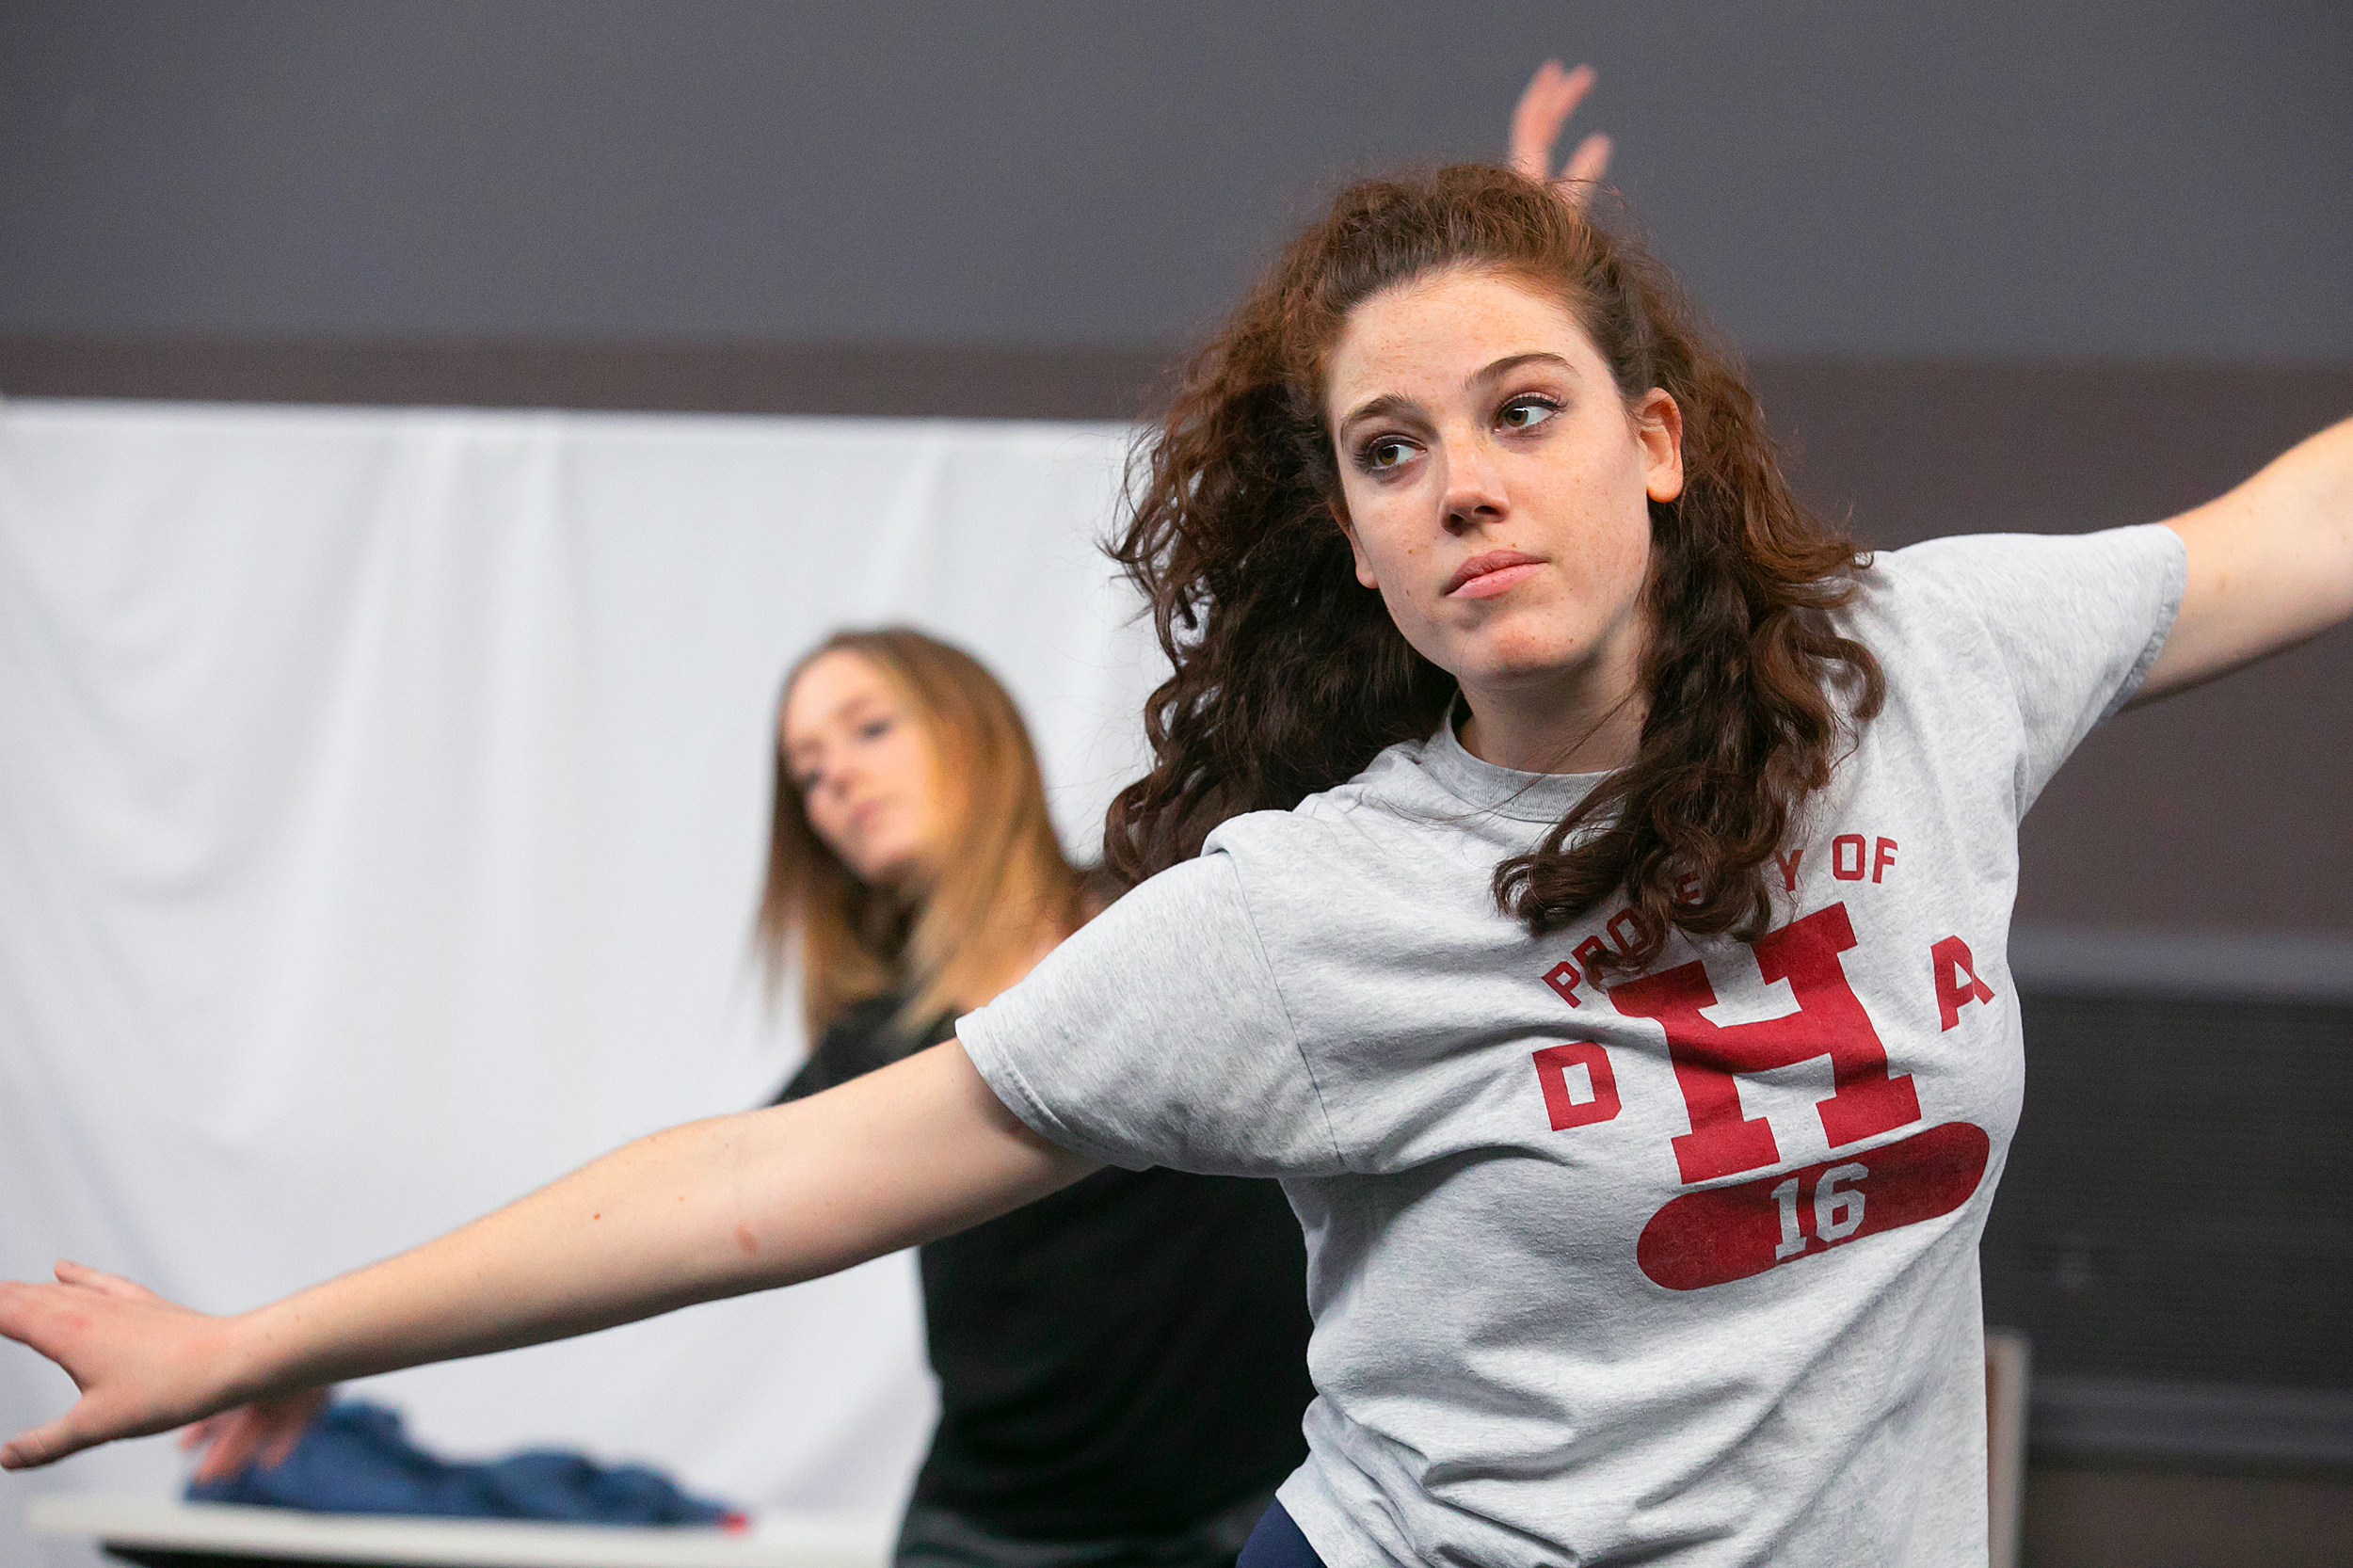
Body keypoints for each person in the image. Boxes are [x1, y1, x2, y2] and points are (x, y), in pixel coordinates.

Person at [7, 114, 2348, 1568]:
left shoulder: (1917, 669)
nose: (1461, 484)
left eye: (1518, 412)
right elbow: (758, 1192)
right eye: (1389, 452)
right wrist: (259, 1338)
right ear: (1349, 534)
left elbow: (2270, 537)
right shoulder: (1316, 918)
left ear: (1652, 442)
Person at [177, 629, 1319, 1568]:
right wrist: (299, 1347)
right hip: (996, 1536)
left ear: (973, 727)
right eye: (809, 772)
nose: (836, 783)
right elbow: (672, 1213)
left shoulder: (1173, 919)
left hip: (1262, 1519)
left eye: (867, 730)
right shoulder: (878, 1043)